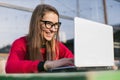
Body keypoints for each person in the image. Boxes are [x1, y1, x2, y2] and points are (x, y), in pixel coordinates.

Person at [5, 4, 74, 73]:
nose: (53, 29)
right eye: (49, 24)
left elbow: (72, 61)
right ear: (36, 23)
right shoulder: (21, 43)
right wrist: (46, 65)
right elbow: (10, 67)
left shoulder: (57, 45)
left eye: (56, 25)